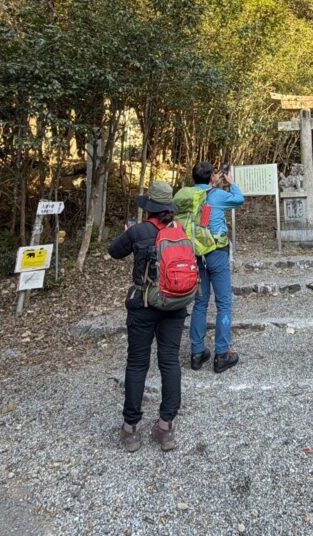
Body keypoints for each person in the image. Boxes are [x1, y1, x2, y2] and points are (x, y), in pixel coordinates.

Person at [108, 181, 185, 452]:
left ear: (150, 206)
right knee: (170, 361)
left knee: (137, 363)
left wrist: (129, 234)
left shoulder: (138, 231)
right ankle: (165, 427)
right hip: (175, 304)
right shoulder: (180, 231)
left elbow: (114, 251)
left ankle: (131, 429)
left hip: (143, 304)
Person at [186, 161, 244, 373]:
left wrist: (212, 183)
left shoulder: (189, 195)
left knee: (200, 303)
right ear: (212, 176)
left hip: (196, 253)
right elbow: (239, 199)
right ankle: (222, 354)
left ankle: (197, 353)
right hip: (217, 253)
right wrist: (231, 182)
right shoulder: (218, 195)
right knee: (224, 303)